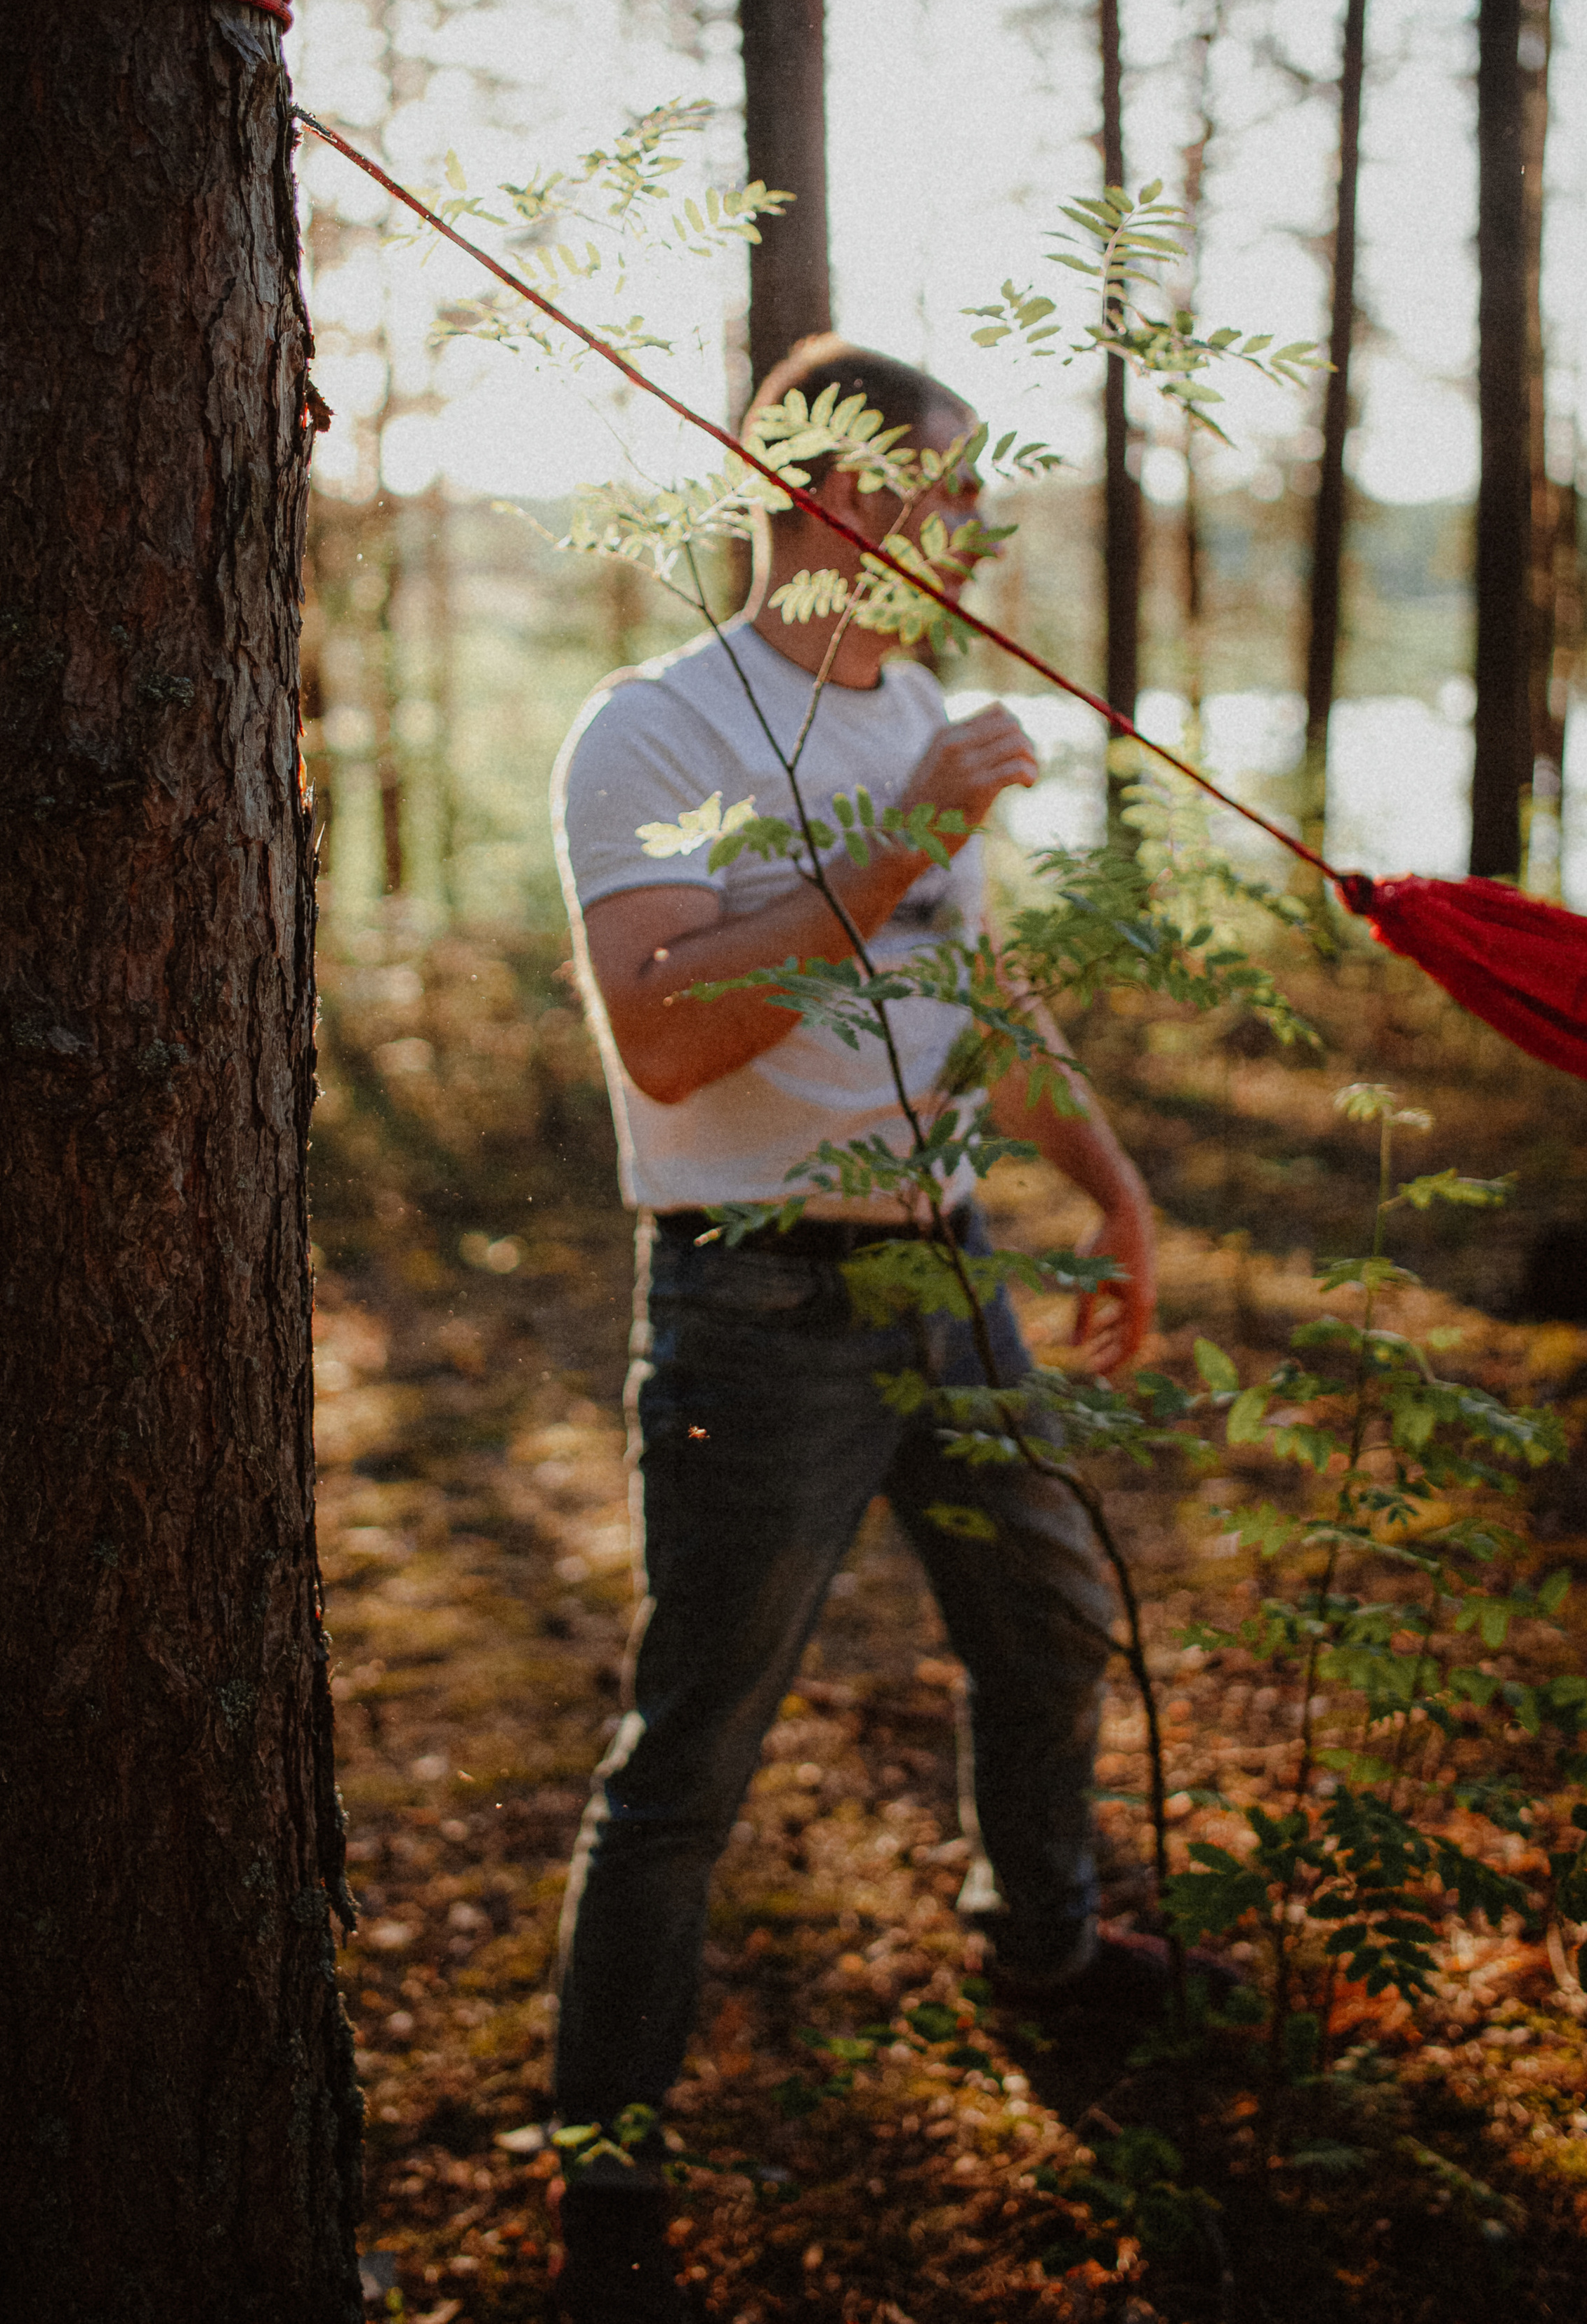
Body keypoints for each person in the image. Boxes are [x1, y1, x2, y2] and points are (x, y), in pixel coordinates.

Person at [546, 336, 1162, 2323]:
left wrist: (1117, 1188)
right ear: (823, 493)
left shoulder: (927, 715)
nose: (971, 534)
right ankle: (610, 2185)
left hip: (951, 1260)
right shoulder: (652, 730)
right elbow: (663, 1029)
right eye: (945, 494)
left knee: (1053, 1622)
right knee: (694, 1752)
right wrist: (894, 840)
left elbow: (972, 1003)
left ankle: (1047, 1948)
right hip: (756, 1299)